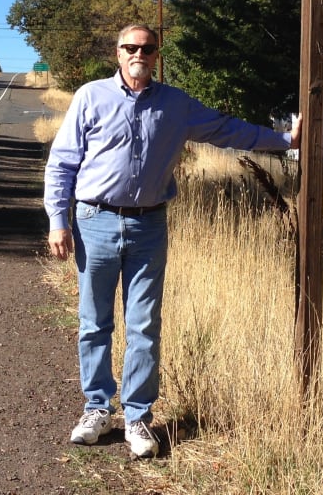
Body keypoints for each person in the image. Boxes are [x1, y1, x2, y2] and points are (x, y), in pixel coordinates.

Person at [44, 24, 300, 458]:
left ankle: (138, 417)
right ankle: (97, 410)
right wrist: (57, 220)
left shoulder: (176, 104)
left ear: (156, 54)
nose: (138, 53)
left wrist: (283, 141)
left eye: (146, 47)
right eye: (130, 47)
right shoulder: (91, 96)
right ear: (118, 52)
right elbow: (63, 161)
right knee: (94, 322)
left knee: (143, 325)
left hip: (148, 227)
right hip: (95, 221)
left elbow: (225, 130)